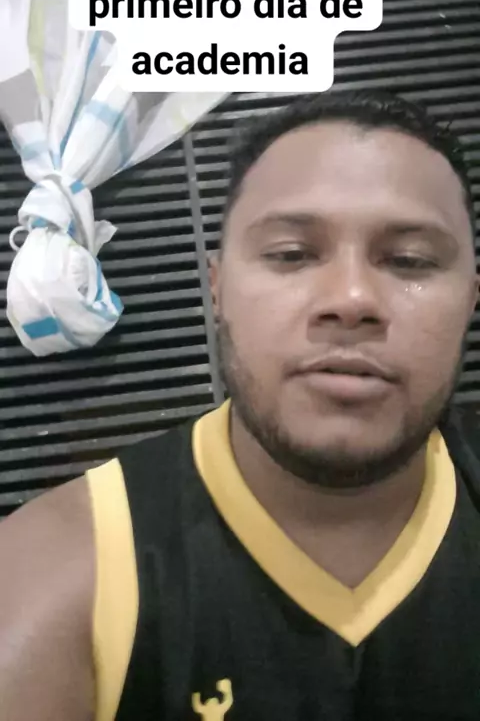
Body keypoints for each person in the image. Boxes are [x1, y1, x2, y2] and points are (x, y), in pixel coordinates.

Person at [1, 90, 480, 721]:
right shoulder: (54, 578)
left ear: (471, 299)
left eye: (410, 260)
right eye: (291, 254)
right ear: (218, 287)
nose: (352, 298)